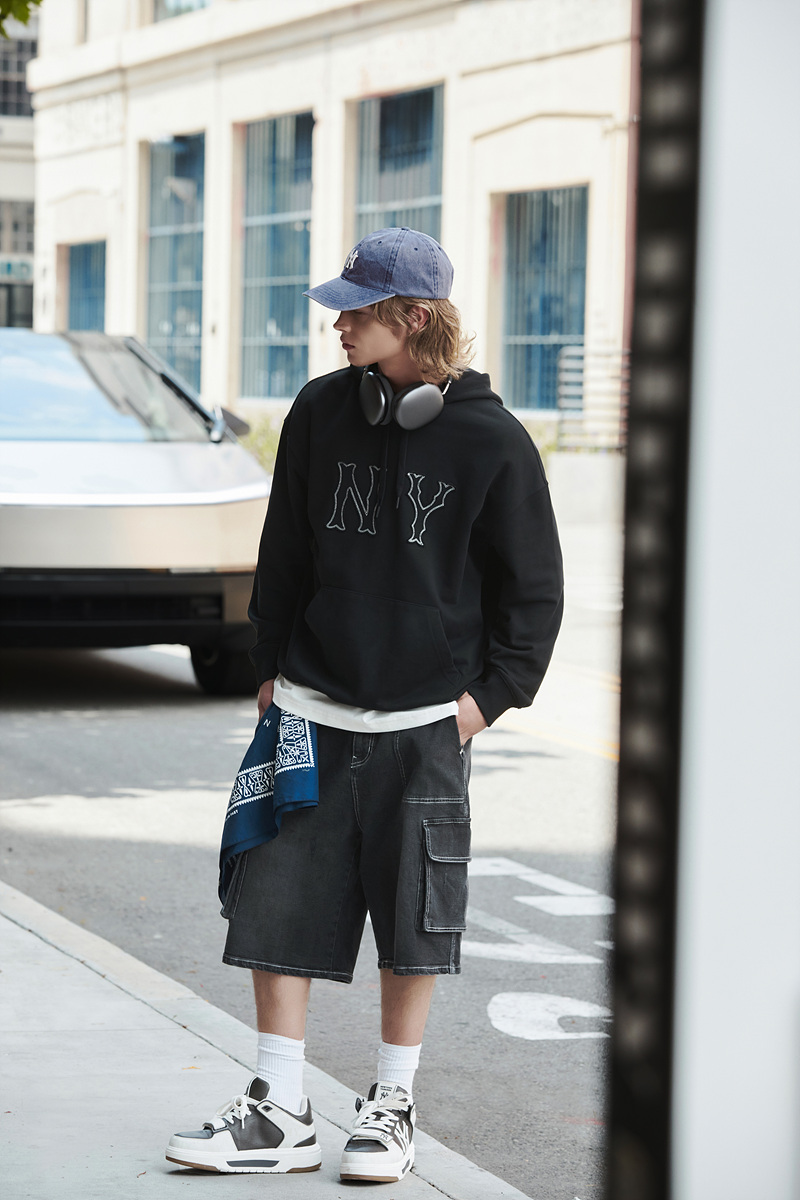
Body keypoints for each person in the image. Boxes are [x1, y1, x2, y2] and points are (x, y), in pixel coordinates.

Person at [166, 227, 564, 1182]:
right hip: (310, 707)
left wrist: (481, 704)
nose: (337, 326)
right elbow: (284, 550)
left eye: (356, 311)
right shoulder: (319, 410)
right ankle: (280, 1108)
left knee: (414, 915)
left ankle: (391, 1106)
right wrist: (271, 665)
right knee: (276, 899)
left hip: (423, 723)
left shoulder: (493, 442)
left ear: (413, 318)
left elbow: (534, 595)